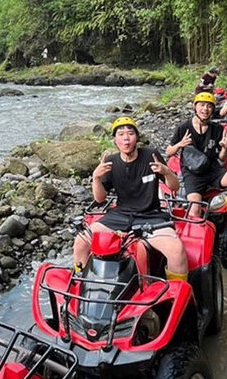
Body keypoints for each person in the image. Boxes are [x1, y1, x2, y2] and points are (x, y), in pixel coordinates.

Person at [72, 117, 189, 281]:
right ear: (115, 139)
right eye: (120, 134)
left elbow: (175, 187)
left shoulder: (151, 155)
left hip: (151, 215)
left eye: (130, 133)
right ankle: (80, 286)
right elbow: (100, 198)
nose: (125, 138)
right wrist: (96, 178)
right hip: (120, 216)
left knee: (177, 251)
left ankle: (176, 297)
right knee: (81, 241)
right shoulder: (111, 161)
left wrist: (166, 172)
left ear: (137, 137)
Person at [166, 93, 227, 238]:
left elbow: (222, 159)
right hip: (193, 174)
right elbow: (169, 151)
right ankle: (197, 240)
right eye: (202, 105)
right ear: (195, 107)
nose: (205, 109)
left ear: (212, 110)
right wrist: (180, 144)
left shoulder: (217, 129)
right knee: (194, 210)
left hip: (213, 170)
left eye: (209, 106)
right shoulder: (184, 127)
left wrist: (225, 148)